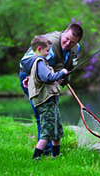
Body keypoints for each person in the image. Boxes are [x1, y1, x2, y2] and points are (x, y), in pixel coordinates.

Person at [19, 24, 84, 154]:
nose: (68, 43)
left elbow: (67, 66)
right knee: (42, 116)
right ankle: (44, 152)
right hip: (30, 77)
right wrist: (30, 77)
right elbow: (27, 62)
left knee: (52, 117)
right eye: (66, 39)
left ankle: (53, 152)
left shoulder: (75, 49)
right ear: (64, 32)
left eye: (72, 42)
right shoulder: (48, 43)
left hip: (51, 81)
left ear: (77, 43)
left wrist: (62, 78)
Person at [26, 35, 68, 159]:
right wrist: (62, 73)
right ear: (39, 48)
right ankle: (36, 157)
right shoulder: (40, 62)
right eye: (47, 50)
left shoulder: (38, 62)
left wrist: (58, 79)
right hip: (46, 102)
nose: (49, 53)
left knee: (57, 131)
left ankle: (56, 156)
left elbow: (42, 79)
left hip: (51, 102)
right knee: (47, 133)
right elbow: (47, 78)